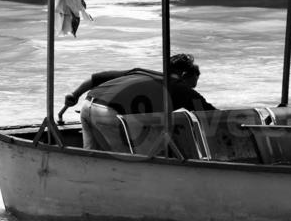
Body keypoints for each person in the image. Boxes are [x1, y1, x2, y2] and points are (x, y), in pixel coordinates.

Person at [61, 53, 216, 151]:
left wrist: (74, 95)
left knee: (92, 153)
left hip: (87, 104)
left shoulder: (140, 72)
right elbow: (209, 113)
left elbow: (96, 78)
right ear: (184, 75)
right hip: (106, 112)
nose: (191, 89)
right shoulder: (181, 89)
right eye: (191, 84)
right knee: (126, 157)